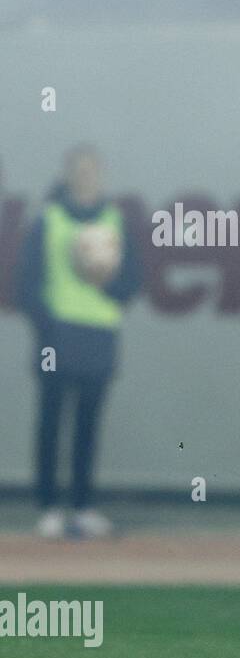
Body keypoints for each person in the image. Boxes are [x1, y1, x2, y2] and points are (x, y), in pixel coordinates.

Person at [16, 146, 142, 540]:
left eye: (94, 171)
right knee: (52, 420)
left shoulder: (114, 220)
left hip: (99, 332)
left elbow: (132, 280)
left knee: (88, 423)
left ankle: (83, 505)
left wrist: (108, 282)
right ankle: (49, 506)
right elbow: (26, 283)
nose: (88, 178)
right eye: (80, 171)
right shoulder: (49, 220)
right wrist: (45, 327)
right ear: (68, 175)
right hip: (58, 334)